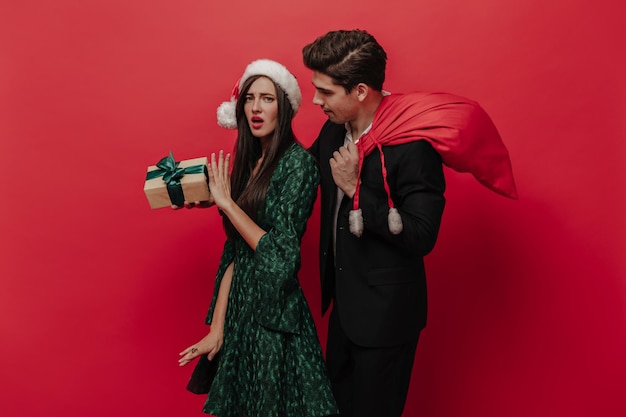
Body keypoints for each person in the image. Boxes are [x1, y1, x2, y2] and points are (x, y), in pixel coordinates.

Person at [302, 29, 517, 417]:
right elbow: (297, 176)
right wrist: (224, 193)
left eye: (326, 91)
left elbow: (421, 234)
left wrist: (356, 191)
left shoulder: (413, 147)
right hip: (344, 311)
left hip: (386, 318)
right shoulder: (334, 128)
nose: (316, 100)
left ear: (361, 91)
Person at [178, 59, 339, 417]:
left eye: (267, 98)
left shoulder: (299, 165)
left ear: (284, 106)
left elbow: (281, 258)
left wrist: (228, 205)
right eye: (249, 98)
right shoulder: (249, 161)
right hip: (240, 315)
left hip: (273, 319)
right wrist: (217, 328)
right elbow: (237, 253)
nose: (255, 108)